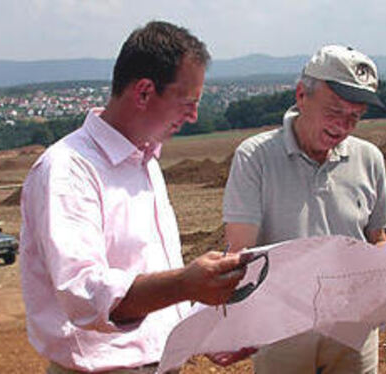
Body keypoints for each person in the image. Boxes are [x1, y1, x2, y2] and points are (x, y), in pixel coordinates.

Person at [20, 21, 246, 374]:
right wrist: (186, 283)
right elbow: (85, 295)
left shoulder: (145, 162)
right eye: (187, 102)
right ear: (143, 92)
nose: (194, 116)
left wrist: (201, 330)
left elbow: (148, 274)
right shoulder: (68, 170)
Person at [223, 45, 386, 373]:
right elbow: (240, 251)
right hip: (282, 329)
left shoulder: (369, 159)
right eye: (334, 111)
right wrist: (238, 324)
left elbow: (378, 238)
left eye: (354, 117)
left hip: (354, 329)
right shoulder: (255, 157)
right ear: (302, 95)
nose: (342, 126)